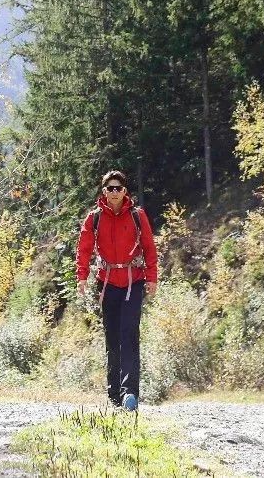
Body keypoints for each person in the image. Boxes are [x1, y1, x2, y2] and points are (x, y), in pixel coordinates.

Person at [75, 170, 158, 411]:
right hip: (108, 283)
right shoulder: (94, 219)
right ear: (104, 192)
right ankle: (113, 395)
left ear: (125, 191)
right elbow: (84, 248)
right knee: (112, 339)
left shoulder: (137, 215)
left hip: (134, 282)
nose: (114, 192)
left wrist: (152, 278)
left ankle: (130, 392)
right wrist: (82, 276)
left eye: (118, 188)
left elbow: (149, 247)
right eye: (110, 188)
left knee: (129, 335)